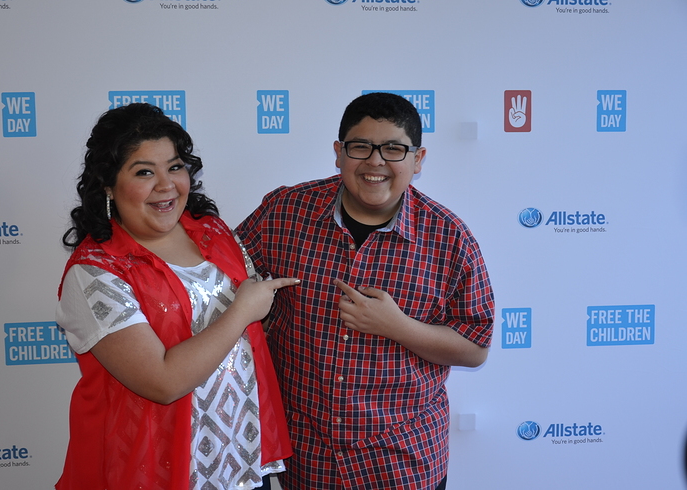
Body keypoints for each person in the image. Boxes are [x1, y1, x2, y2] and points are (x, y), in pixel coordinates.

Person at [235, 92, 495, 489]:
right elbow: (222, 279)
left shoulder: (449, 237)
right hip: (304, 460)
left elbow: (475, 347)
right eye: (361, 147)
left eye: (394, 149)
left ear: (418, 159)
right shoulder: (285, 211)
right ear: (339, 153)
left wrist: (397, 326)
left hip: (401, 462)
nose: (376, 162)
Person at [55, 103, 299, 490]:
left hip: (240, 463)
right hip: (150, 469)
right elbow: (163, 382)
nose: (166, 185)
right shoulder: (95, 272)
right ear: (107, 185)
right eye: (144, 172)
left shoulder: (212, 230)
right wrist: (242, 313)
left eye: (174, 167)